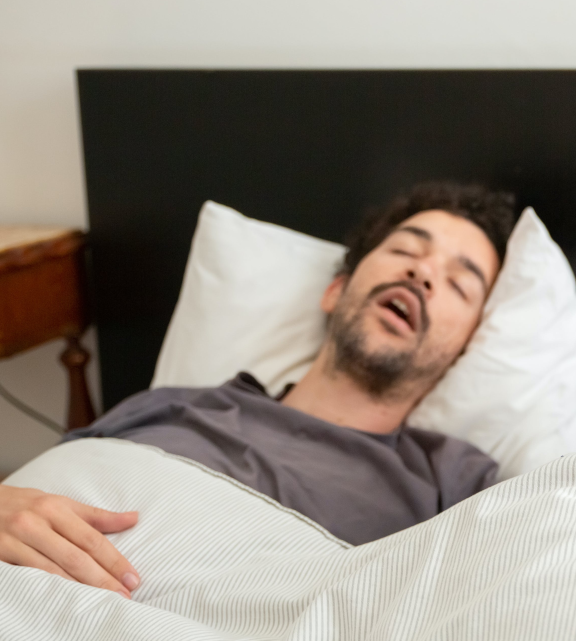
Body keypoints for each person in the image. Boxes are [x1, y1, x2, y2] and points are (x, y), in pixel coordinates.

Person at [0, 181, 516, 601]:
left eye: (459, 284)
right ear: (336, 291)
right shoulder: (171, 405)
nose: (423, 272)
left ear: (465, 348)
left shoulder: (450, 481)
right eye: (405, 250)